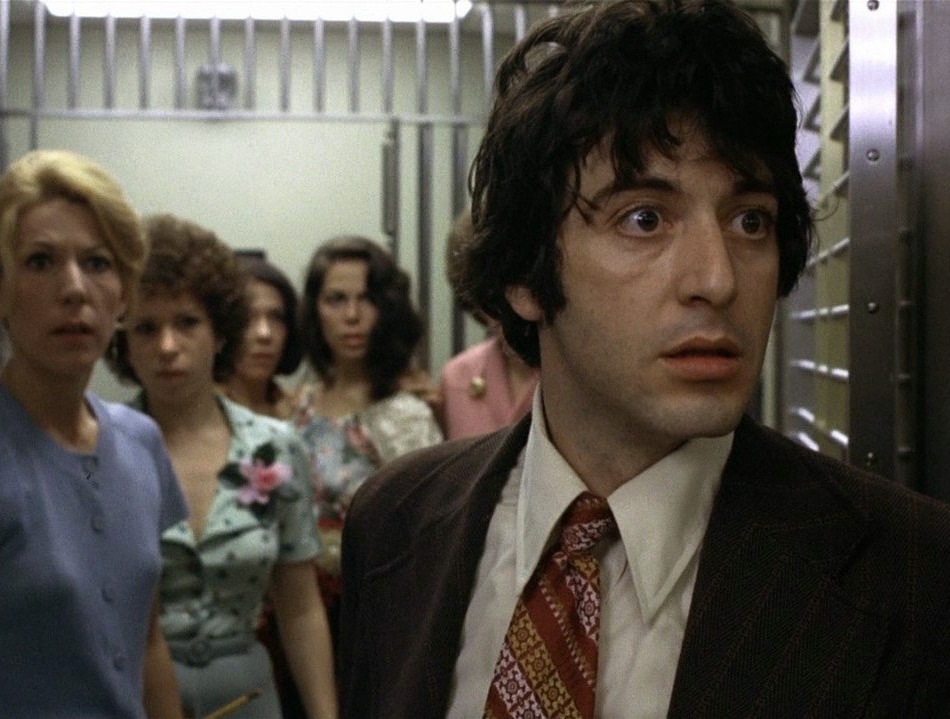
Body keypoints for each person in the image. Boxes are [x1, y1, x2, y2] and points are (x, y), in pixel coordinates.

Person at [338, 1, 950, 717]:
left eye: (749, 220)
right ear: (526, 275)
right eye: (644, 219)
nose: (717, 278)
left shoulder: (912, 575)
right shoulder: (394, 523)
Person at [0, 149, 187, 718]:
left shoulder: (141, 441)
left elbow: (146, 645)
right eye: (41, 262)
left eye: (97, 263)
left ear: (123, 295)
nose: (74, 289)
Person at [107, 213, 337, 719]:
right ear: (122, 341)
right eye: (146, 328)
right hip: (132, 695)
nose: (168, 346)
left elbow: (300, 608)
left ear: (219, 331)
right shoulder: (100, 452)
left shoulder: (274, 447)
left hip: (248, 697)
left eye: (187, 323)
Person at [293, 235, 443, 632]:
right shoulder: (296, 409)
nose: (352, 315)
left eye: (367, 299)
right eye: (336, 300)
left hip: (383, 612)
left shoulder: (407, 415)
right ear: (315, 309)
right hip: (298, 612)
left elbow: (429, 536)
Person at [440, 212, 538, 440]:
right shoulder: (458, 376)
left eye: (517, 283)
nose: (507, 305)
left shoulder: (575, 376)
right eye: (490, 294)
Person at [222, 255, 303, 419]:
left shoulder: (302, 414)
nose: (264, 333)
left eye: (276, 318)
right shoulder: (199, 413)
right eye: (247, 317)